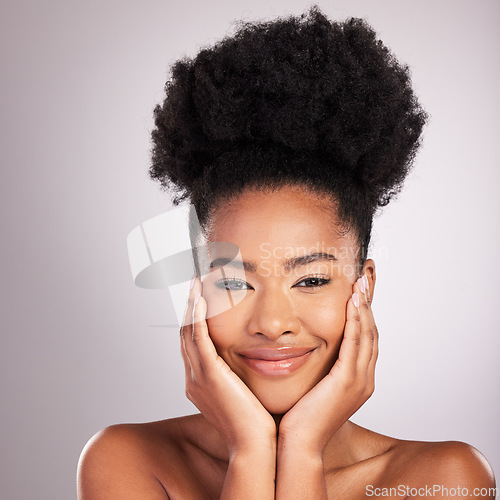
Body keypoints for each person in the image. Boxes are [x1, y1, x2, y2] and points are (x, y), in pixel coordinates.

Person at [77, 7, 496, 499]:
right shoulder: (129, 460)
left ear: (364, 287)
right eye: (233, 281)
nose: (272, 323)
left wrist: (302, 449)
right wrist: (251, 449)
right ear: (196, 293)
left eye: (312, 280)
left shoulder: (442, 479)